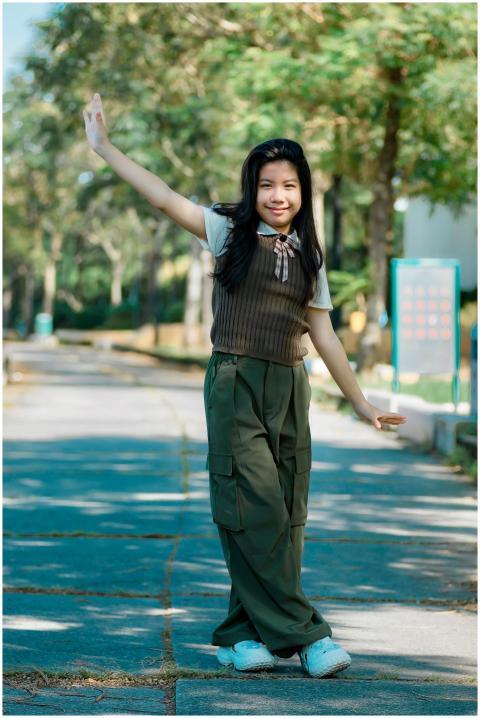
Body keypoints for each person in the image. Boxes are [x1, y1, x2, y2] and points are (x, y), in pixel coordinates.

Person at [83, 93, 407, 678]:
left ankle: (241, 634)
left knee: (285, 513)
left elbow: (325, 336)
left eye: (288, 185)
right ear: (251, 189)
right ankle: (309, 638)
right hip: (235, 382)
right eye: (266, 185)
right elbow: (160, 195)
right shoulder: (226, 230)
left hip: (291, 386)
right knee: (251, 507)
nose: (277, 195)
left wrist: (361, 403)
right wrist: (105, 148)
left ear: (303, 191)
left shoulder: (309, 252)